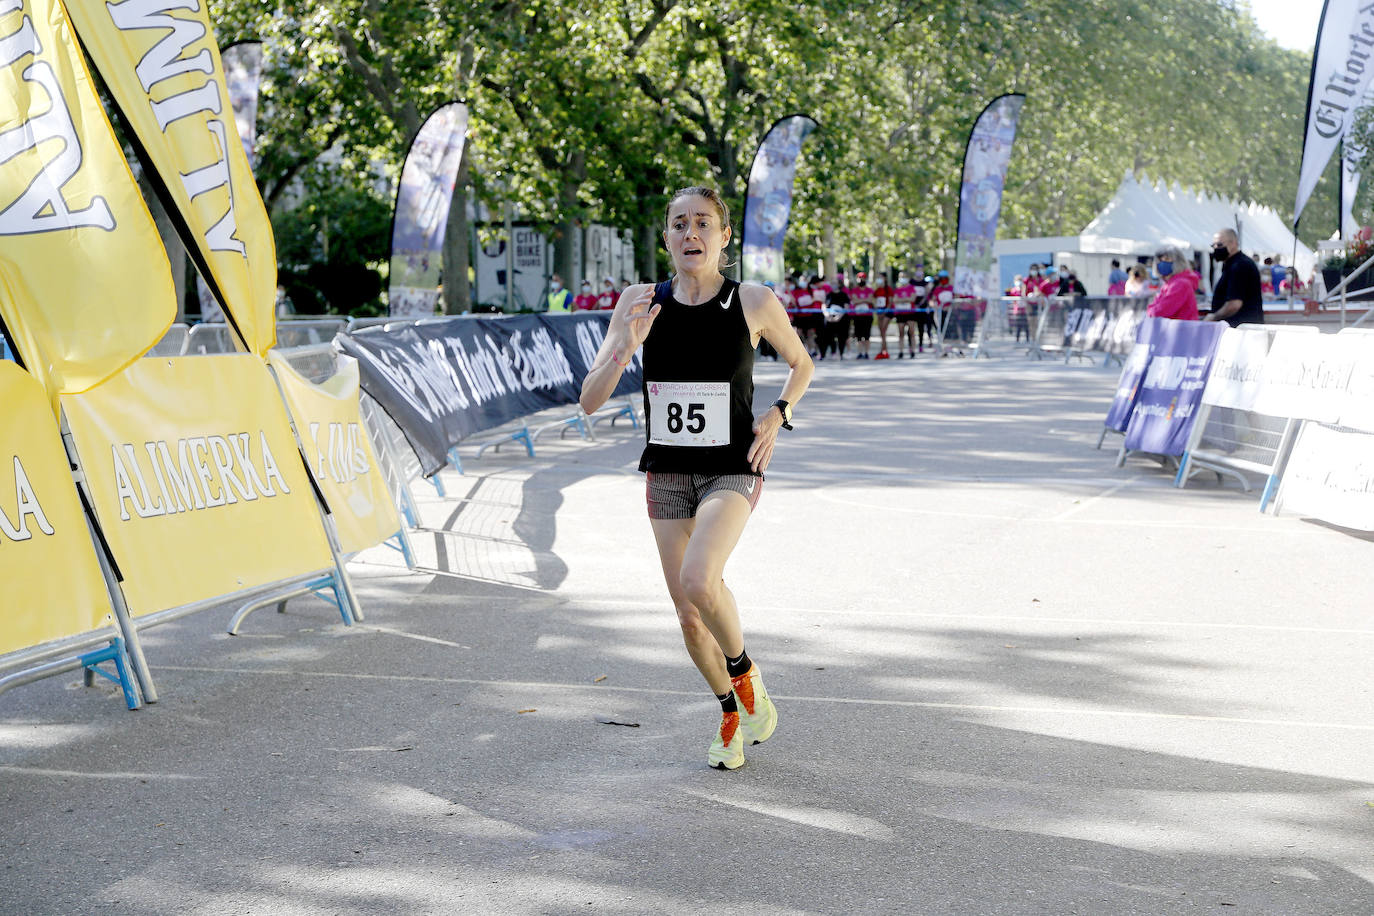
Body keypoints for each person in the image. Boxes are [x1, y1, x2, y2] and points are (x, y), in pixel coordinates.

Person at [578, 186, 815, 770]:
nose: (691, 234)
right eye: (679, 224)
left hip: (732, 466)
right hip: (668, 471)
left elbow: (801, 363)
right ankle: (730, 710)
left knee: (700, 581)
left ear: (723, 236)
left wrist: (779, 412)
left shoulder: (753, 301)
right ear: (666, 238)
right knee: (688, 616)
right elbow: (589, 400)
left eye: (703, 223)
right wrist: (625, 349)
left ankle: (745, 674)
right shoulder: (639, 302)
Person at [1205, 228, 1263, 326]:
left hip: (1242, 329)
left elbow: (1234, 304)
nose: (1216, 248)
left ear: (1233, 243)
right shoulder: (1232, 264)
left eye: (1219, 245)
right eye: (1213, 245)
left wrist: (1214, 317)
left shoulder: (1239, 265)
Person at [1146, 246, 1200, 320]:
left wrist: (1150, 310)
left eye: (1167, 259)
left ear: (1178, 262)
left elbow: (1160, 311)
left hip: (1181, 329)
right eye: (1160, 260)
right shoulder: (1169, 283)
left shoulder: (1180, 284)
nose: (1162, 263)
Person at [850, 271, 877, 359]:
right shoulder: (854, 290)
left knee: (867, 335)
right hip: (857, 316)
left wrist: (860, 300)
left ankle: (866, 353)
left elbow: (871, 300)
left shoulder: (870, 290)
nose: (861, 279)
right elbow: (854, 301)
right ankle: (860, 352)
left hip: (867, 316)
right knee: (858, 335)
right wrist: (865, 300)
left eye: (862, 277)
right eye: (859, 278)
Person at [869, 271, 893, 359]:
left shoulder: (888, 289)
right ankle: (883, 350)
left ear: (885, 278)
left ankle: (884, 351)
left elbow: (890, 302)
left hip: (887, 312)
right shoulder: (877, 290)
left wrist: (885, 312)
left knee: (883, 330)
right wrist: (875, 308)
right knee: (882, 333)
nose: (879, 279)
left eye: (880, 277)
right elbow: (872, 298)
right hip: (879, 312)